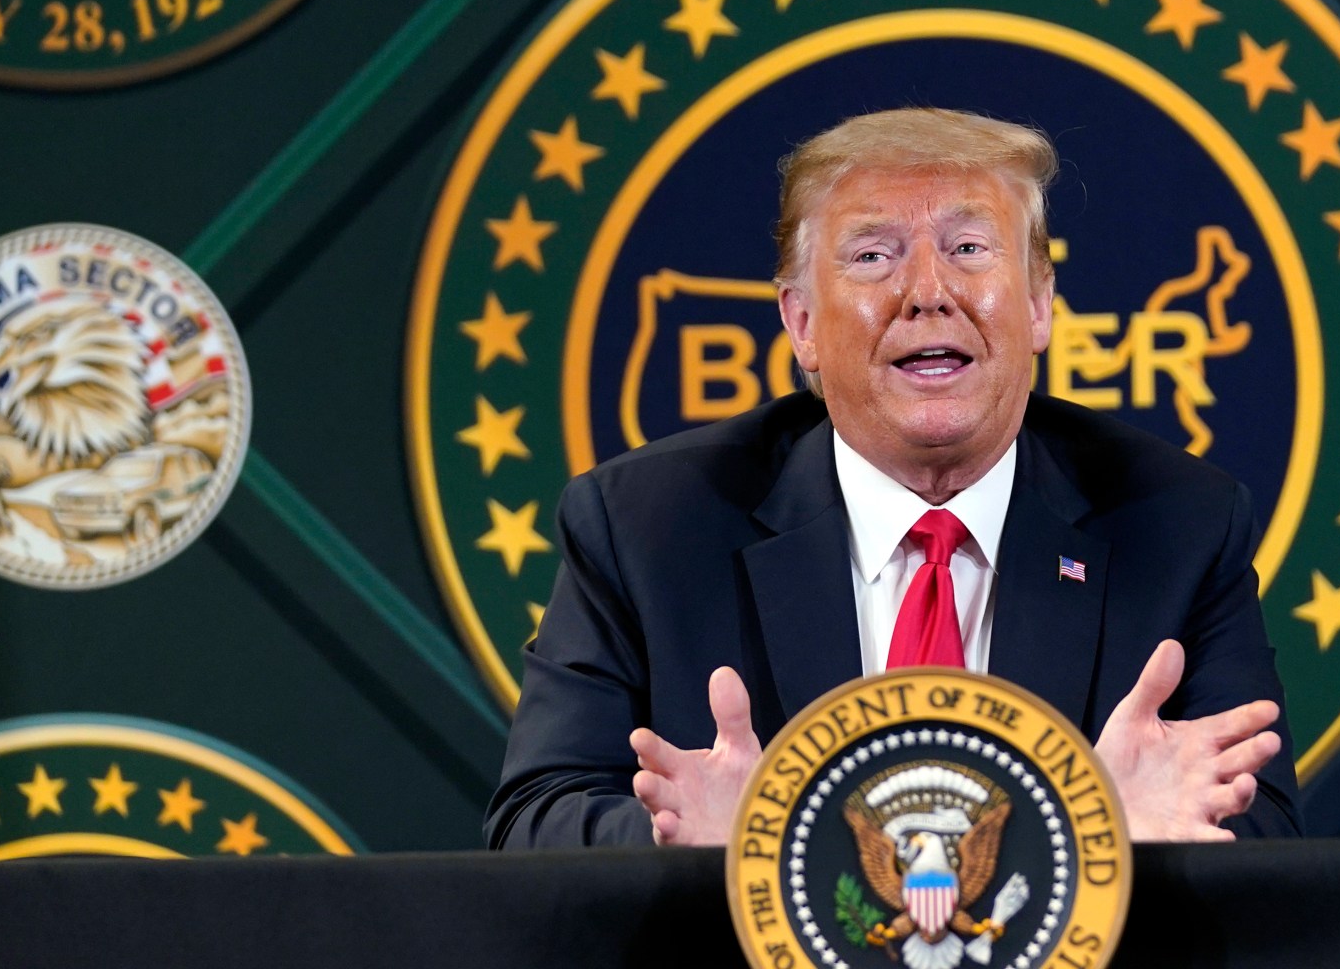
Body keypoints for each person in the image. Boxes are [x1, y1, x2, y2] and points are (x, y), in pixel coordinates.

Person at [485, 108, 1298, 847]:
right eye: (873, 256)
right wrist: (714, 847)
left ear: (1041, 303)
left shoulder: (1177, 524)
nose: (928, 293)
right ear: (801, 322)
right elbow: (533, 823)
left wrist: (1096, 832)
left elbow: (1262, 832)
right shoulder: (646, 527)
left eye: (968, 249)